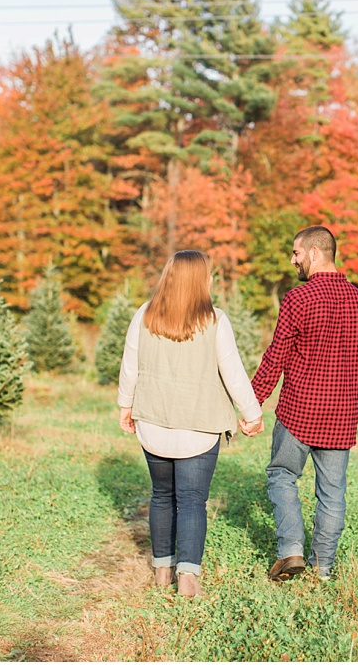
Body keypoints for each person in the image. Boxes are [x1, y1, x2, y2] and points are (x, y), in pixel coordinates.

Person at [117, 250, 263, 597]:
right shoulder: (215, 320)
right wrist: (252, 413)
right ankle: (188, 578)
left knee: (161, 497)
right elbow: (233, 372)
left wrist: (125, 405)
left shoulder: (144, 315)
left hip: (153, 422)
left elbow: (130, 365)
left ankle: (161, 571)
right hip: (198, 427)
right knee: (193, 501)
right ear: (201, 280)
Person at [251, 226, 358, 582]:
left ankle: (291, 551)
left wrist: (252, 403)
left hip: (299, 412)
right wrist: (355, 407)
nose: (293, 260)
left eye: (296, 253)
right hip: (341, 416)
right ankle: (322, 569)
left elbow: (277, 356)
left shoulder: (298, 299)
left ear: (315, 253)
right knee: (332, 493)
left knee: (282, 476)